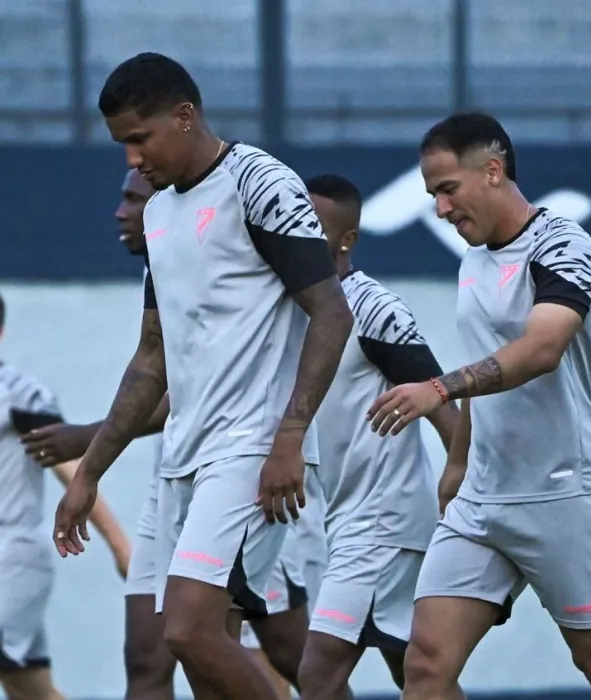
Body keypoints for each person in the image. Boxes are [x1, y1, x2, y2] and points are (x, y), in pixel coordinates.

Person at [52, 52, 353, 700]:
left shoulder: (258, 183)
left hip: (253, 450)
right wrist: (91, 473)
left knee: (189, 631)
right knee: (198, 661)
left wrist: (290, 436)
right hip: (184, 458)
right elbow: (150, 358)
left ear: (185, 115)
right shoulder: (159, 214)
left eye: (140, 138)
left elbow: (331, 312)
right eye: (122, 144)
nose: (132, 159)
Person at [367, 112, 591, 700]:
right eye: (433, 196)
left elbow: (542, 349)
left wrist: (438, 389)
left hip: (565, 493)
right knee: (426, 664)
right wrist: (457, 465)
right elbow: (486, 364)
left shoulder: (563, 244)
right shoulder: (474, 258)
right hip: (481, 502)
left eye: (448, 190)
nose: (441, 209)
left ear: (493, 171)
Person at [24, 169, 321, 700]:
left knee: (254, 647)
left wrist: (89, 438)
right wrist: (91, 468)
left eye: (133, 199)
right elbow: (162, 372)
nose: (121, 212)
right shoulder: (163, 261)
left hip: (247, 468)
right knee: (154, 656)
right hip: (177, 474)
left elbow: (318, 324)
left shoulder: (243, 226)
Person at [295, 174, 460, 700]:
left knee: (317, 676)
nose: (299, 234)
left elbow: (444, 406)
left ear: (347, 240)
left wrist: (462, 485)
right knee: (417, 676)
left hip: (383, 525)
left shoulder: (372, 309)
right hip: (348, 523)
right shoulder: (292, 310)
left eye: (314, 226)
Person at [0, 292, 131, 700]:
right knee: (28, 685)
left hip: (10, 554)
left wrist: (120, 547)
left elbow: (73, 472)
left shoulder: (18, 394)